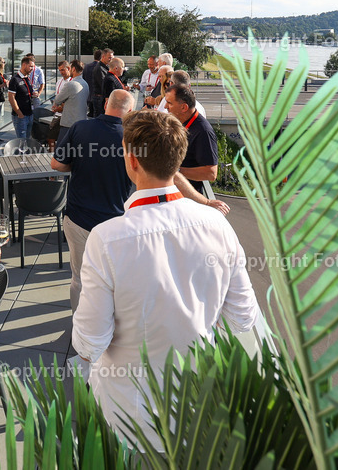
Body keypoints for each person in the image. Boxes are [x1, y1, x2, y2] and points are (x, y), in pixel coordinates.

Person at [72, 110, 258, 446]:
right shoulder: (218, 226)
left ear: (131, 161)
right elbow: (243, 317)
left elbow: (90, 341)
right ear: (179, 159)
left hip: (128, 411)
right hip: (197, 401)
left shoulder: (106, 238)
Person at [51, 89, 135, 311]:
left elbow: (56, 164)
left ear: (106, 103)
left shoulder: (80, 127)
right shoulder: (132, 139)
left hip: (79, 218)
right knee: (113, 281)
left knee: (79, 278)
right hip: (116, 222)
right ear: (131, 110)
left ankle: (80, 329)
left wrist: (78, 163)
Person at [164, 84, 219, 200]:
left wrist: (175, 171)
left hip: (187, 199)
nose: (165, 106)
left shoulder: (203, 132)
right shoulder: (182, 120)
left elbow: (211, 173)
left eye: (169, 103)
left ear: (184, 107)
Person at [50, 59, 88, 142]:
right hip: (81, 122)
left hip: (69, 123)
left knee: (61, 150)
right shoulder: (85, 83)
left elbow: (57, 99)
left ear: (73, 69)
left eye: (69, 68)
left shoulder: (70, 84)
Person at [7, 56, 36, 140]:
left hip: (29, 114)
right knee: (21, 142)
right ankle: (21, 153)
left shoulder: (27, 78)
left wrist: (34, 94)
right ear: (24, 65)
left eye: (33, 67)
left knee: (28, 140)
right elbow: (11, 98)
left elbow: (26, 93)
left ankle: (26, 153)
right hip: (20, 117)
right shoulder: (15, 80)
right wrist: (19, 113)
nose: (32, 69)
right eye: (30, 66)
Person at [89, 49, 113, 117]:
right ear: (103, 56)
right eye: (109, 57)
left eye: (112, 58)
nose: (110, 60)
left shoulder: (105, 67)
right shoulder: (99, 68)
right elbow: (103, 84)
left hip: (100, 98)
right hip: (99, 99)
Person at [82, 50, 102, 118]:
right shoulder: (101, 67)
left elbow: (83, 79)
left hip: (88, 95)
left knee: (90, 115)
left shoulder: (87, 67)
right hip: (98, 97)